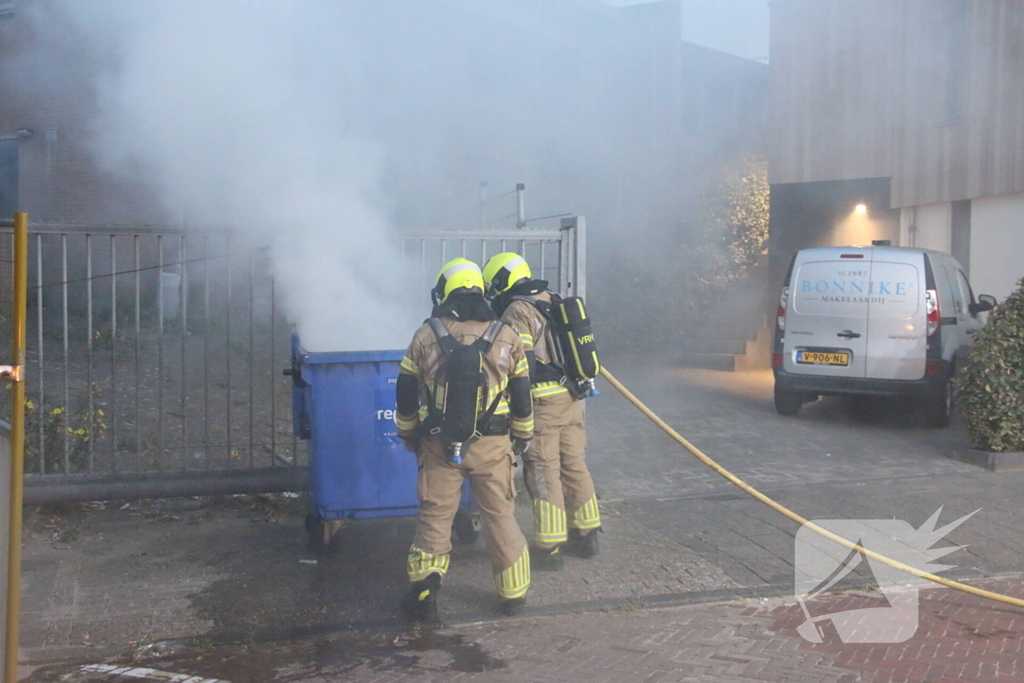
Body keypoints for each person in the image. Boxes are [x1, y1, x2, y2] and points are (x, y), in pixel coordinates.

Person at [395, 258, 535, 622]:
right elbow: (522, 393)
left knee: (436, 515)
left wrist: (408, 430)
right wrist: (522, 435)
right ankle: (513, 595)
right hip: (493, 446)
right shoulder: (507, 335)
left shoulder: (427, 333)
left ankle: (425, 594)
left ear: (445, 290)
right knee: (501, 514)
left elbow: (406, 388)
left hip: (439, 446)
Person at [482, 253, 601, 573]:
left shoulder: (516, 310)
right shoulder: (555, 299)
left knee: (543, 471)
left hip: (544, 404)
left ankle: (549, 547)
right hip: (573, 398)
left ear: (504, 280)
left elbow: (523, 363)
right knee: (574, 464)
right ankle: (588, 535)